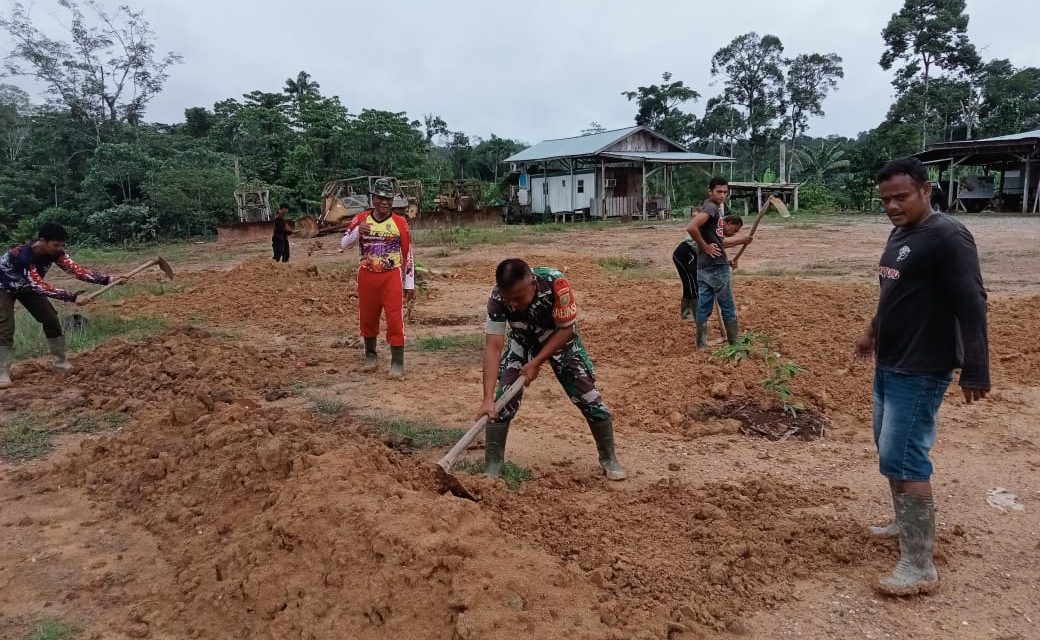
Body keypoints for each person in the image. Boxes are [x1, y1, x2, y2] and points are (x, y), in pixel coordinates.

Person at [853, 157, 990, 596]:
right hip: (891, 361)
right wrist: (870, 333)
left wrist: (975, 365)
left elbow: (972, 302)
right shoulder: (900, 234)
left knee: (906, 455)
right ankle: (901, 523)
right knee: (888, 448)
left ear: (926, 190)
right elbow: (892, 291)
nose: (892, 206)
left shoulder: (948, 236)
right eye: (886, 200)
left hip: (922, 366)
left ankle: (919, 564)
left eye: (901, 197)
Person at [478, 259, 625, 481]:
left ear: (532, 283)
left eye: (519, 297)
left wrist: (536, 362)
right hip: (522, 340)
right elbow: (493, 347)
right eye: (510, 300)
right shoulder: (498, 297)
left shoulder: (556, 284)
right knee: (501, 401)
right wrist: (487, 398)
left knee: (589, 397)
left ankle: (609, 458)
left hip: (558, 340)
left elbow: (567, 330)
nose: (514, 305)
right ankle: (492, 465)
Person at [0, 223, 125, 387]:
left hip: (27, 286)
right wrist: (72, 297)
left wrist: (108, 279)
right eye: (55, 245)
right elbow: (39, 285)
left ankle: (60, 362)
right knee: (5, 327)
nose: (59, 248)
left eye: (61, 245)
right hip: (3, 287)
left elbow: (77, 271)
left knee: (51, 319)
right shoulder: (22, 255)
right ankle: (2, 372)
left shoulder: (55, 253)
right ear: (42, 241)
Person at [340, 178, 415, 380]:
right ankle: (370, 357)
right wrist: (357, 232)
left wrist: (410, 283)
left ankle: (397, 363)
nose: (384, 203)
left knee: (394, 318)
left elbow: (408, 253)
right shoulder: (361, 218)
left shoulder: (400, 222)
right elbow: (344, 243)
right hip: (367, 275)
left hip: (391, 276)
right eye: (381, 198)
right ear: (373, 198)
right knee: (368, 316)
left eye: (388, 199)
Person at [686, 177, 744, 348]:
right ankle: (734, 345)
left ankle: (701, 345)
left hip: (704, 267)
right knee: (727, 306)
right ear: (710, 191)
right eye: (719, 192)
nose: (722, 195)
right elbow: (691, 228)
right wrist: (705, 247)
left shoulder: (712, 209)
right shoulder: (711, 208)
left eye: (725, 192)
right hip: (716, 268)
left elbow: (718, 242)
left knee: (703, 308)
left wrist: (740, 242)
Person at [672, 214, 750, 321]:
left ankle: (689, 315)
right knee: (692, 284)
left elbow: (715, 251)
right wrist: (741, 241)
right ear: (728, 223)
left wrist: (726, 262)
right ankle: (695, 316)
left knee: (691, 284)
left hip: (694, 256)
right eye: (734, 230)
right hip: (686, 254)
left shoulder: (718, 232)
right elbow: (722, 244)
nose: (733, 234)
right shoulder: (714, 228)